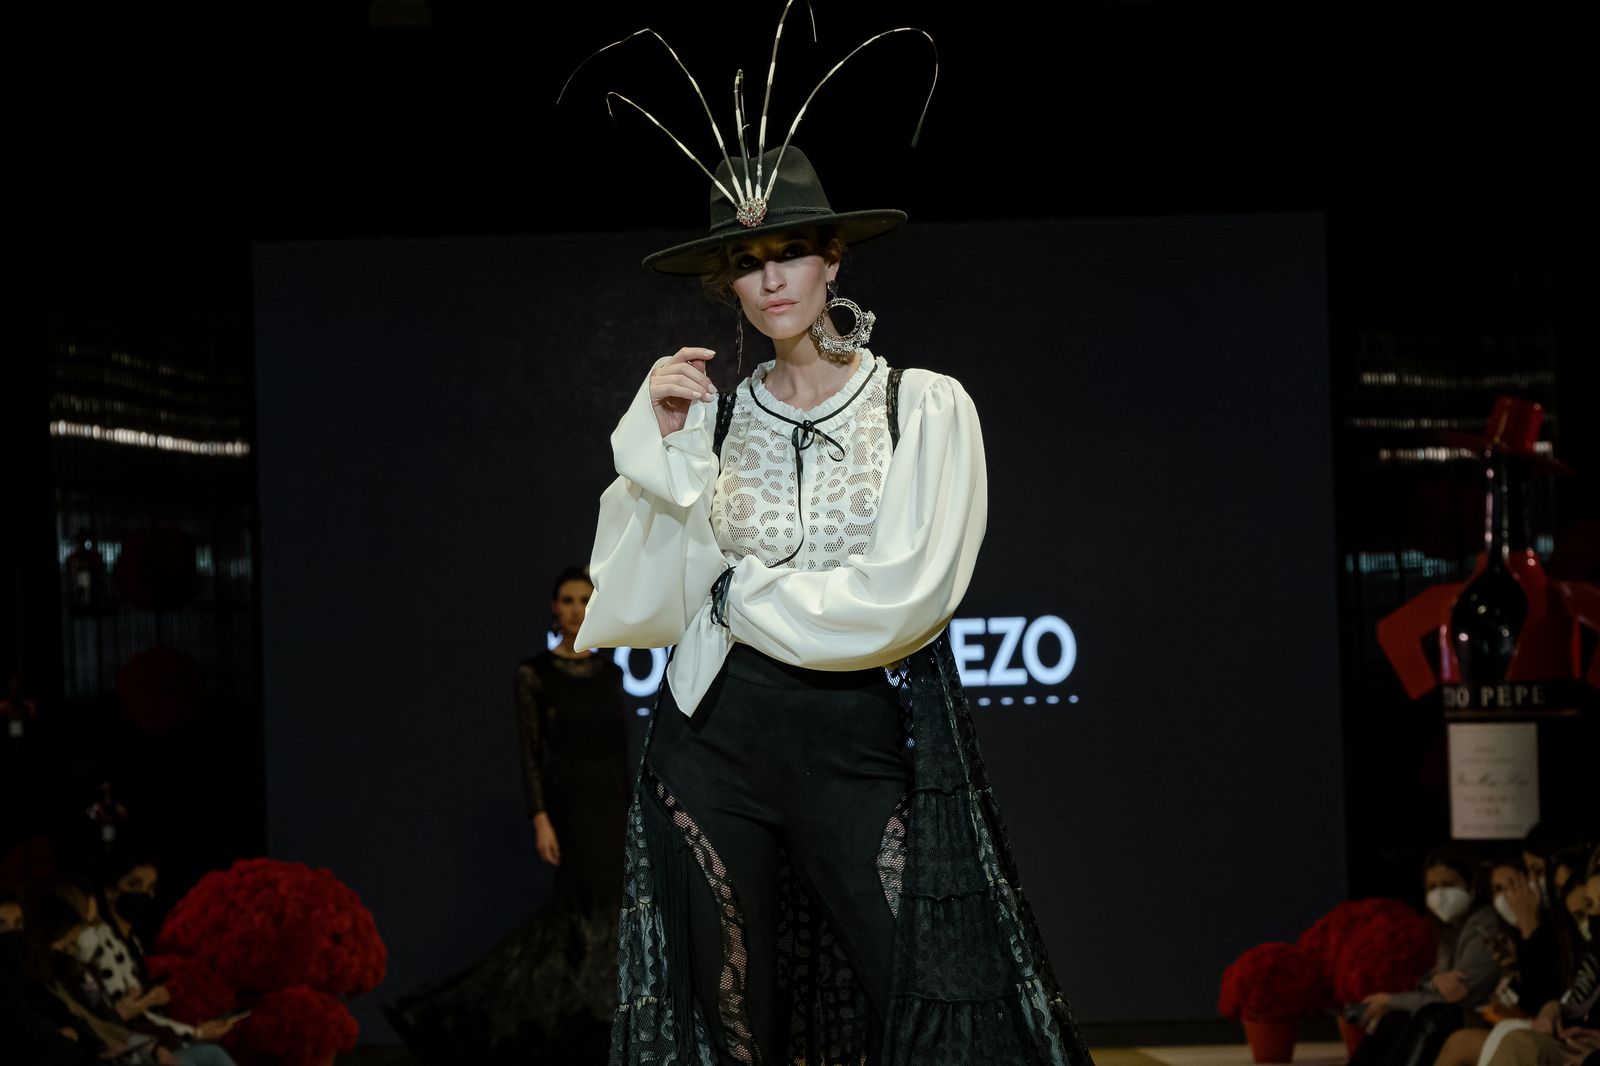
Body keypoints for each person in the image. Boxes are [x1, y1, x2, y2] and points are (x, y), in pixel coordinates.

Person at [569, 121, 1090, 1066]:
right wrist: (658, 441)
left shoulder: (921, 406)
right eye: (747, 261)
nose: (771, 280)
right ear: (727, 281)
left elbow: (905, 599)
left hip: (854, 740)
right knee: (735, 1029)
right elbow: (644, 603)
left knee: (923, 998)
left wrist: (738, 594)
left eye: (792, 252)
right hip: (710, 745)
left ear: (833, 259)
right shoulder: (712, 419)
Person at [385, 565, 631, 1064]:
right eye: (567, 600)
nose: (577, 610)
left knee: (610, 914)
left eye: (585, 600)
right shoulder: (533, 674)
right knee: (575, 913)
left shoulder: (609, 672)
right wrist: (540, 816)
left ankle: (598, 1028)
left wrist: (633, 817)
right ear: (553, 607)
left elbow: (620, 752)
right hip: (569, 805)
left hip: (612, 807)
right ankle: (550, 1026)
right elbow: (531, 752)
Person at [1353, 844, 1501, 1066]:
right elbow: (1428, 983)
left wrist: (1392, 1000)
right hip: (1461, 1009)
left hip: (1484, 1016)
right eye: (1432, 887)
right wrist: (1434, 982)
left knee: (1431, 1016)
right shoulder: (1450, 929)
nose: (1439, 894)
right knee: (1395, 1018)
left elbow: (1458, 994)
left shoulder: (1483, 925)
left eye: (1448, 885)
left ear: (1471, 885)